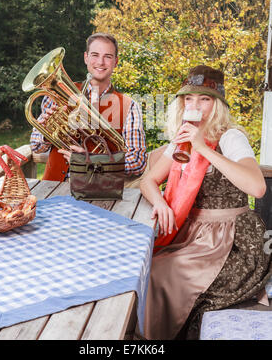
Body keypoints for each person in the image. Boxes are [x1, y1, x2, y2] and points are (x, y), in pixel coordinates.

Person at [139, 65, 272, 340]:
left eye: (204, 99)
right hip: (193, 234)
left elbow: (257, 187)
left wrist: (202, 148)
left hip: (231, 239)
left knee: (161, 276)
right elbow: (147, 181)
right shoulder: (182, 138)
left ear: (218, 104)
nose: (195, 106)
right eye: (189, 99)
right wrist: (161, 203)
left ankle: (152, 338)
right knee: (143, 267)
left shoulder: (230, 137)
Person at [30, 33, 163, 186]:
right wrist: (47, 133)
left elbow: (137, 162)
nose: (100, 62)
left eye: (107, 56)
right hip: (54, 186)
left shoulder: (129, 106)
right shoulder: (56, 94)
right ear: (86, 58)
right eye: (95, 55)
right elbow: (36, 146)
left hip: (99, 192)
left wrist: (93, 161)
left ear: (116, 62)